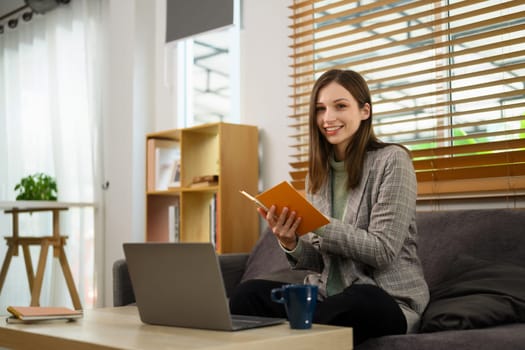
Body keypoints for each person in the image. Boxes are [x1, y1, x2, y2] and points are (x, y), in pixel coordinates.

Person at [229, 69, 429, 345]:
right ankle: (309, 327)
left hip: (385, 298)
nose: (328, 118)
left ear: (365, 111)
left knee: (355, 304)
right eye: (320, 109)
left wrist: (321, 225)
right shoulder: (318, 174)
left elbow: (382, 251)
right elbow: (321, 260)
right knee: (247, 295)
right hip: (327, 297)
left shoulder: (393, 161)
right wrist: (291, 242)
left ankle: (304, 329)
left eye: (340, 106)